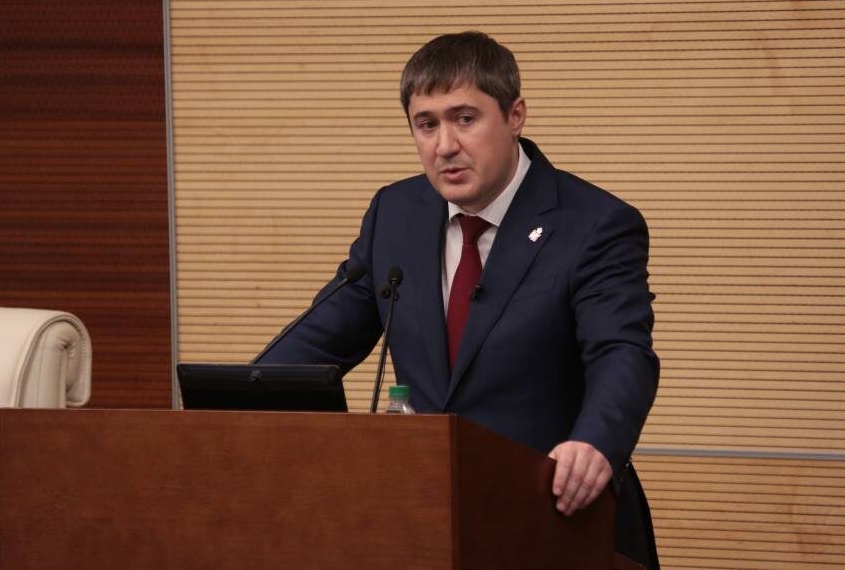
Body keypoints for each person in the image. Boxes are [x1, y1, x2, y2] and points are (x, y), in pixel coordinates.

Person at [259, 31, 659, 564]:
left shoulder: (595, 224)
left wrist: (595, 443)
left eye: (465, 118)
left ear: (515, 116)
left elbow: (621, 352)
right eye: (426, 124)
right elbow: (321, 338)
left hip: (554, 517)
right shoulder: (395, 213)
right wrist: (233, 399)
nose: (444, 145)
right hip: (428, 519)